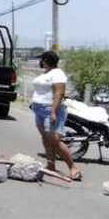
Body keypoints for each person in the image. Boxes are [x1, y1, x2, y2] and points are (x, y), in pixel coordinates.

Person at [29, 50, 81, 180]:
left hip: (51, 110)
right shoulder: (47, 73)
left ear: (46, 60)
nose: (39, 62)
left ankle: (73, 168)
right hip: (39, 109)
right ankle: (51, 165)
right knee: (46, 139)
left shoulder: (58, 74)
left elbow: (59, 93)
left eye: (41, 60)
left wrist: (53, 111)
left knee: (55, 141)